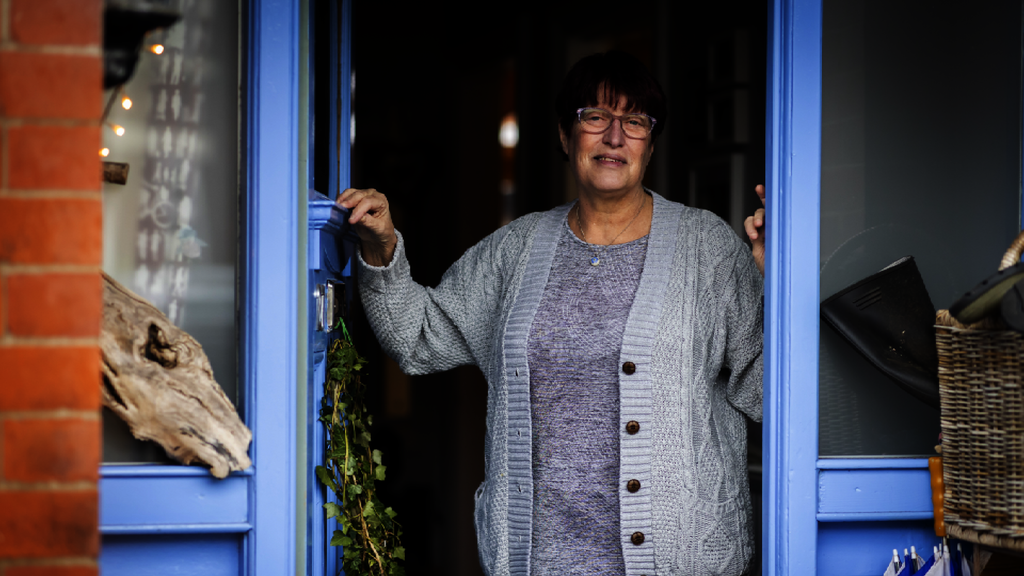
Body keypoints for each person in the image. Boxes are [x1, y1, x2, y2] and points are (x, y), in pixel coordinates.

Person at [338, 51, 766, 576]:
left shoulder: (709, 248)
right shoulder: (516, 250)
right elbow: (419, 337)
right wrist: (382, 248)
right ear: (566, 137)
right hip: (538, 561)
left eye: (634, 122)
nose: (614, 137)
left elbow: (767, 390)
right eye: (595, 117)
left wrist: (777, 285)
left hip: (680, 561)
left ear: (650, 146)